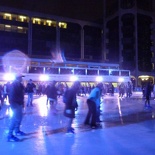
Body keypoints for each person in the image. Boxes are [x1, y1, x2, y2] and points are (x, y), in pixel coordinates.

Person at [7, 75, 26, 142]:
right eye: (21, 78)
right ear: (18, 78)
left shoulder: (20, 85)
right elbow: (11, 96)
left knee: (20, 118)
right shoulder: (14, 85)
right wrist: (14, 105)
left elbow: (22, 94)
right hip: (15, 104)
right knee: (15, 119)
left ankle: (17, 131)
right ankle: (10, 135)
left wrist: (22, 103)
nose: (22, 79)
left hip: (19, 103)